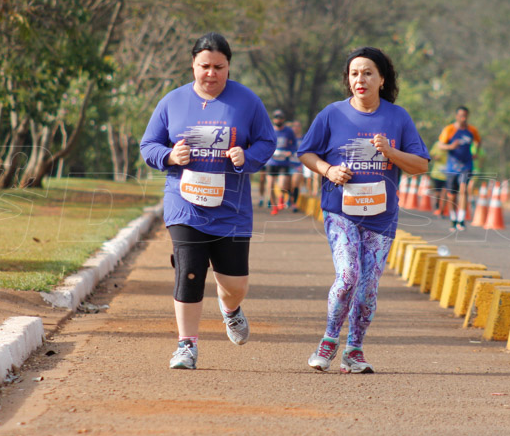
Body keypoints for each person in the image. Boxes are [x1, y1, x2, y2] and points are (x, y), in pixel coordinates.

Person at [139, 32, 276, 370]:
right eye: (204, 66)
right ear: (193, 66)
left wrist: (246, 155)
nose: (211, 74)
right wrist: (171, 156)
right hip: (184, 203)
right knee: (189, 272)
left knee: (235, 284)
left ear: (228, 67)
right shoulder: (172, 102)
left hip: (231, 207)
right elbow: (148, 146)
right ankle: (186, 345)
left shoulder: (246, 102)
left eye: (219, 67)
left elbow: (266, 142)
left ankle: (230, 309)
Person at [298, 47, 430, 373]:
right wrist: (328, 171)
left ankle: (354, 350)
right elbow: (306, 153)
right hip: (340, 211)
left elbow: (421, 165)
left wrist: (390, 151)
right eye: (355, 73)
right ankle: (329, 341)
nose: (360, 79)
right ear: (348, 79)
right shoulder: (332, 114)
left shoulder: (397, 118)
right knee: (347, 277)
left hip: (381, 217)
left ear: (382, 79)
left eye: (368, 73)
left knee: (368, 286)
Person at [438, 106, 480, 230]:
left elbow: (478, 141)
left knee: (464, 189)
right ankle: (453, 218)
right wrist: (450, 147)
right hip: (452, 166)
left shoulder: (472, 130)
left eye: (465, 116)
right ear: (457, 116)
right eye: (461, 115)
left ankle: (461, 220)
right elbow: (441, 145)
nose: (463, 118)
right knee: (452, 195)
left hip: (466, 165)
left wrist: (475, 151)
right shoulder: (449, 129)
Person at [264, 109, 297, 213]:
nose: (278, 120)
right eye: (276, 118)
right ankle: (274, 207)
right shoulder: (269, 130)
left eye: (280, 118)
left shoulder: (288, 131)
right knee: (270, 185)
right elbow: (263, 143)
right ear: (273, 119)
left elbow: (294, 144)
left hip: (284, 162)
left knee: (282, 184)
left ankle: (281, 198)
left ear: (283, 119)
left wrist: (290, 152)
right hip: (271, 161)